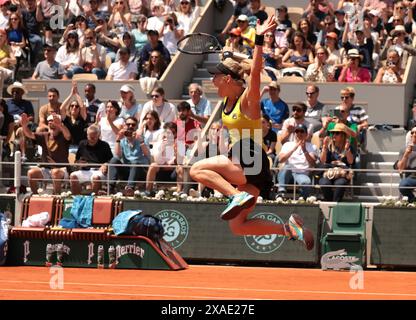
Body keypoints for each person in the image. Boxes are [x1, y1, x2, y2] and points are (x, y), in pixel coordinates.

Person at [189, 17, 314, 251]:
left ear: (227, 79)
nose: (211, 79)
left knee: (196, 169)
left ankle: (234, 196)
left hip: (249, 158)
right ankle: (290, 229)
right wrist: (230, 52)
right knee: (238, 227)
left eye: (215, 76)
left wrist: (257, 39)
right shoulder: (228, 99)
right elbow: (241, 66)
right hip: (251, 168)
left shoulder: (248, 101)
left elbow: (254, 72)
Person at [21, 113, 71, 194]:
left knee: (55, 172)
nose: (51, 123)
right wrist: (24, 126)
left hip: (62, 170)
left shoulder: (63, 135)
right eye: (49, 121)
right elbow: (29, 134)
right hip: (47, 169)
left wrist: (61, 125)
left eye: (54, 121)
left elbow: (68, 136)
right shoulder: (44, 135)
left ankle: (56, 197)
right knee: (31, 173)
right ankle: (35, 196)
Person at [108, 116, 150, 195]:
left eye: (133, 125)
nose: (130, 126)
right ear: (124, 126)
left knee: (135, 163)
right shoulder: (123, 140)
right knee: (114, 160)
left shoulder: (142, 139)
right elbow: (117, 155)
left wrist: (140, 141)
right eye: (128, 124)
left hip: (140, 170)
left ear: (136, 127)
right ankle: (110, 188)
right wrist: (118, 139)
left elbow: (147, 155)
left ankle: (130, 188)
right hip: (127, 169)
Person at [277, 123, 318, 199]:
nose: (299, 133)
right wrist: (293, 149)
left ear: (306, 134)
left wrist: (304, 150)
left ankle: (302, 198)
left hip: (302, 173)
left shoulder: (312, 146)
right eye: (297, 131)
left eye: (302, 131)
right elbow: (281, 159)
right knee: (287, 167)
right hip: (288, 173)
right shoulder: (287, 144)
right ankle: (281, 193)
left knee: (307, 183)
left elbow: (313, 163)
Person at [70, 124, 113, 195]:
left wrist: (106, 164)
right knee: (73, 176)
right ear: (87, 135)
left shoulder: (105, 145)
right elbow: (76, 160)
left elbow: (111, 160)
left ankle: (93, 200)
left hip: (99, 171)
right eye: (90, 137)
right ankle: (76, 199)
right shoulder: (82, 144)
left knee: (95, 178)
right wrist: (79, 163)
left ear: (98, 135)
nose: (92, 139)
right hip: (84, 170)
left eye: (94, 137)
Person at [319, 123, 355, 202]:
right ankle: (330, 203)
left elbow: (351, 162)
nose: (334, 135)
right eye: (333, 133)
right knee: (325, 184)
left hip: (342, 174)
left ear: (343, 135)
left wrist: (347, 150)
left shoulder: (349, 146)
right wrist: (324, 147)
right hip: (328, 172)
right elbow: (322, 161)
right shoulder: (328, 146)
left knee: (341, 184)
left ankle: (335, 204)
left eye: (337, 133)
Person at [396, 126, 416, 202]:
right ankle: (412, 198)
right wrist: (406, 155)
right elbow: (400, 169)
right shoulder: (403, 150)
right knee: (403, 186)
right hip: (411, 178)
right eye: (412, 132)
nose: (414, 134)